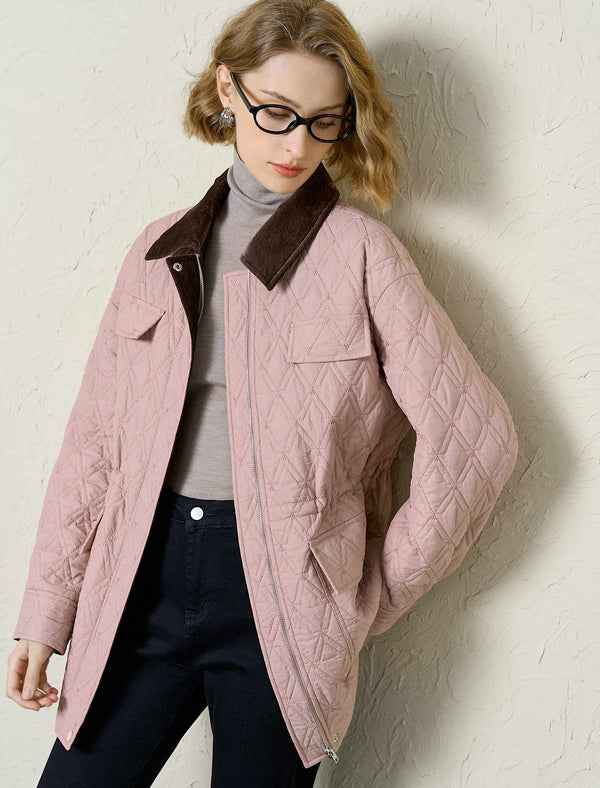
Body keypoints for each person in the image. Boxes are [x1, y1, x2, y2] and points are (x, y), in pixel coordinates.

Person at [6, 0, 519, 785]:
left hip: (282, 610)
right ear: (227, 90)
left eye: (324, 122)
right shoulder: (157, 251)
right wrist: (47, 612)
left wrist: (370, 591)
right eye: (276, 113)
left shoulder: (362, 256)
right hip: (138, 588)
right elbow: (95, 446)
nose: (296, 145)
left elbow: (477, 441)